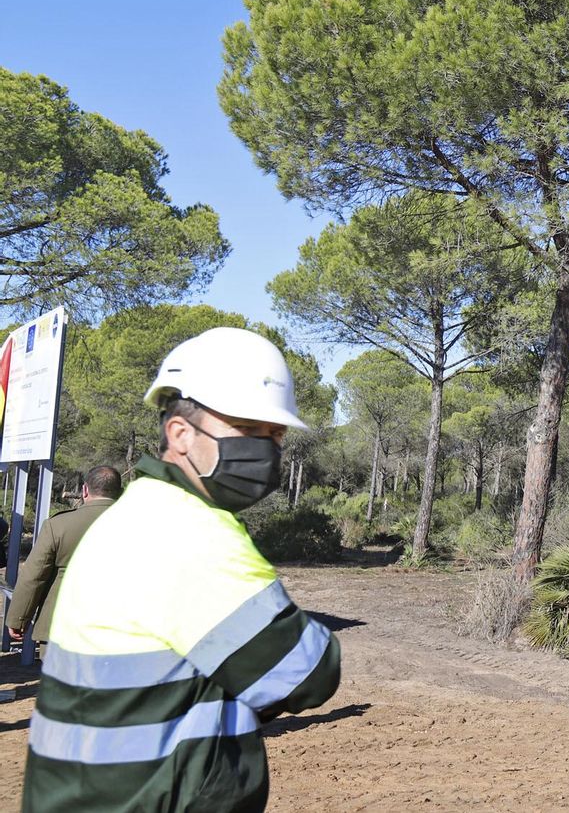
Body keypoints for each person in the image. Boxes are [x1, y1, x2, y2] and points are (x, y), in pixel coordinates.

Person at [22, 327, 341, 813]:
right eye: (247, 430)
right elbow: (309, 672)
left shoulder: (135, 511)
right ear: (180, 433)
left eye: (274, 435)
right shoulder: (191, 531)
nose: (266, 451)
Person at [5, 465, 124, 645]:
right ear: (121, 492)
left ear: (84, 490)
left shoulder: (58, 525)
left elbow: (34, 577)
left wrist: (18, 618)